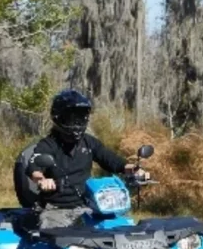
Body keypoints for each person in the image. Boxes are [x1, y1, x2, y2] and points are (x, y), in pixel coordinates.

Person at [26, 90, 148, 229]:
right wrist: (42, 180)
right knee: (57, 240)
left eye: (80, 117)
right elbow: (34, 167)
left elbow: (111, 160)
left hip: (87, 207)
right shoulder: (48, 144)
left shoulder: (89, 143)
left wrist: (134, 170)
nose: (77, 122)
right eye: (72, 117)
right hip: (56, 210)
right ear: (59, 117)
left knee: (118, 229)